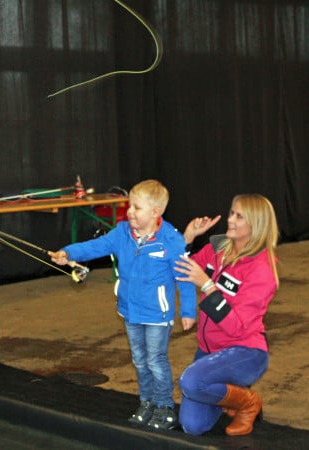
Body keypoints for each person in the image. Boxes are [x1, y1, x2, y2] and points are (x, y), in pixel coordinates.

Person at [49, 180, 196, 430]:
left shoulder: (171, 240)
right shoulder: (121, 233)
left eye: (136, 208)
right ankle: (146, 402)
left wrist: (188, 310)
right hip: (130, 311)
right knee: (139, 360)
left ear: (155, 212)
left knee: (155, 360)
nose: (129, 212)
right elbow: (95, 246)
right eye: (129, 206)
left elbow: (185, 277)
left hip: (157, 315)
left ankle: (164, 407)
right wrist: (69, 253)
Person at [175, 194, 279, 436]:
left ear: (256, 225)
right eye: (232, 213)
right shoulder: (219, 246)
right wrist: (187, 239)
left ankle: (247, 402)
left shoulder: (262, 269)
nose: (230, 220)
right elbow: (180, 269)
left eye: (239, 216)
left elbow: (235, 327)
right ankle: (231, 393)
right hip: (209, 349)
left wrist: (207, 286)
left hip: (245, 352)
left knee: (190, 383)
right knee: (193, 426)